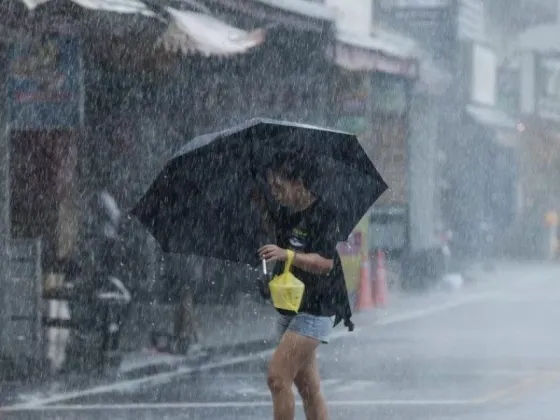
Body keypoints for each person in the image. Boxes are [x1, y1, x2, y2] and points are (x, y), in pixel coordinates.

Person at [255, 155, 354, 420]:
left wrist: (288, 255)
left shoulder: (323, 213)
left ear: (298, 182)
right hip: (291, 307)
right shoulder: (285, 214)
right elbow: (282, 246)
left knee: (277, 378)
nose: (276, 194)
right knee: (309, 389)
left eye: (279, 187)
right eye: (272, 188)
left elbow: (325, 263)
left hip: (316, 308)